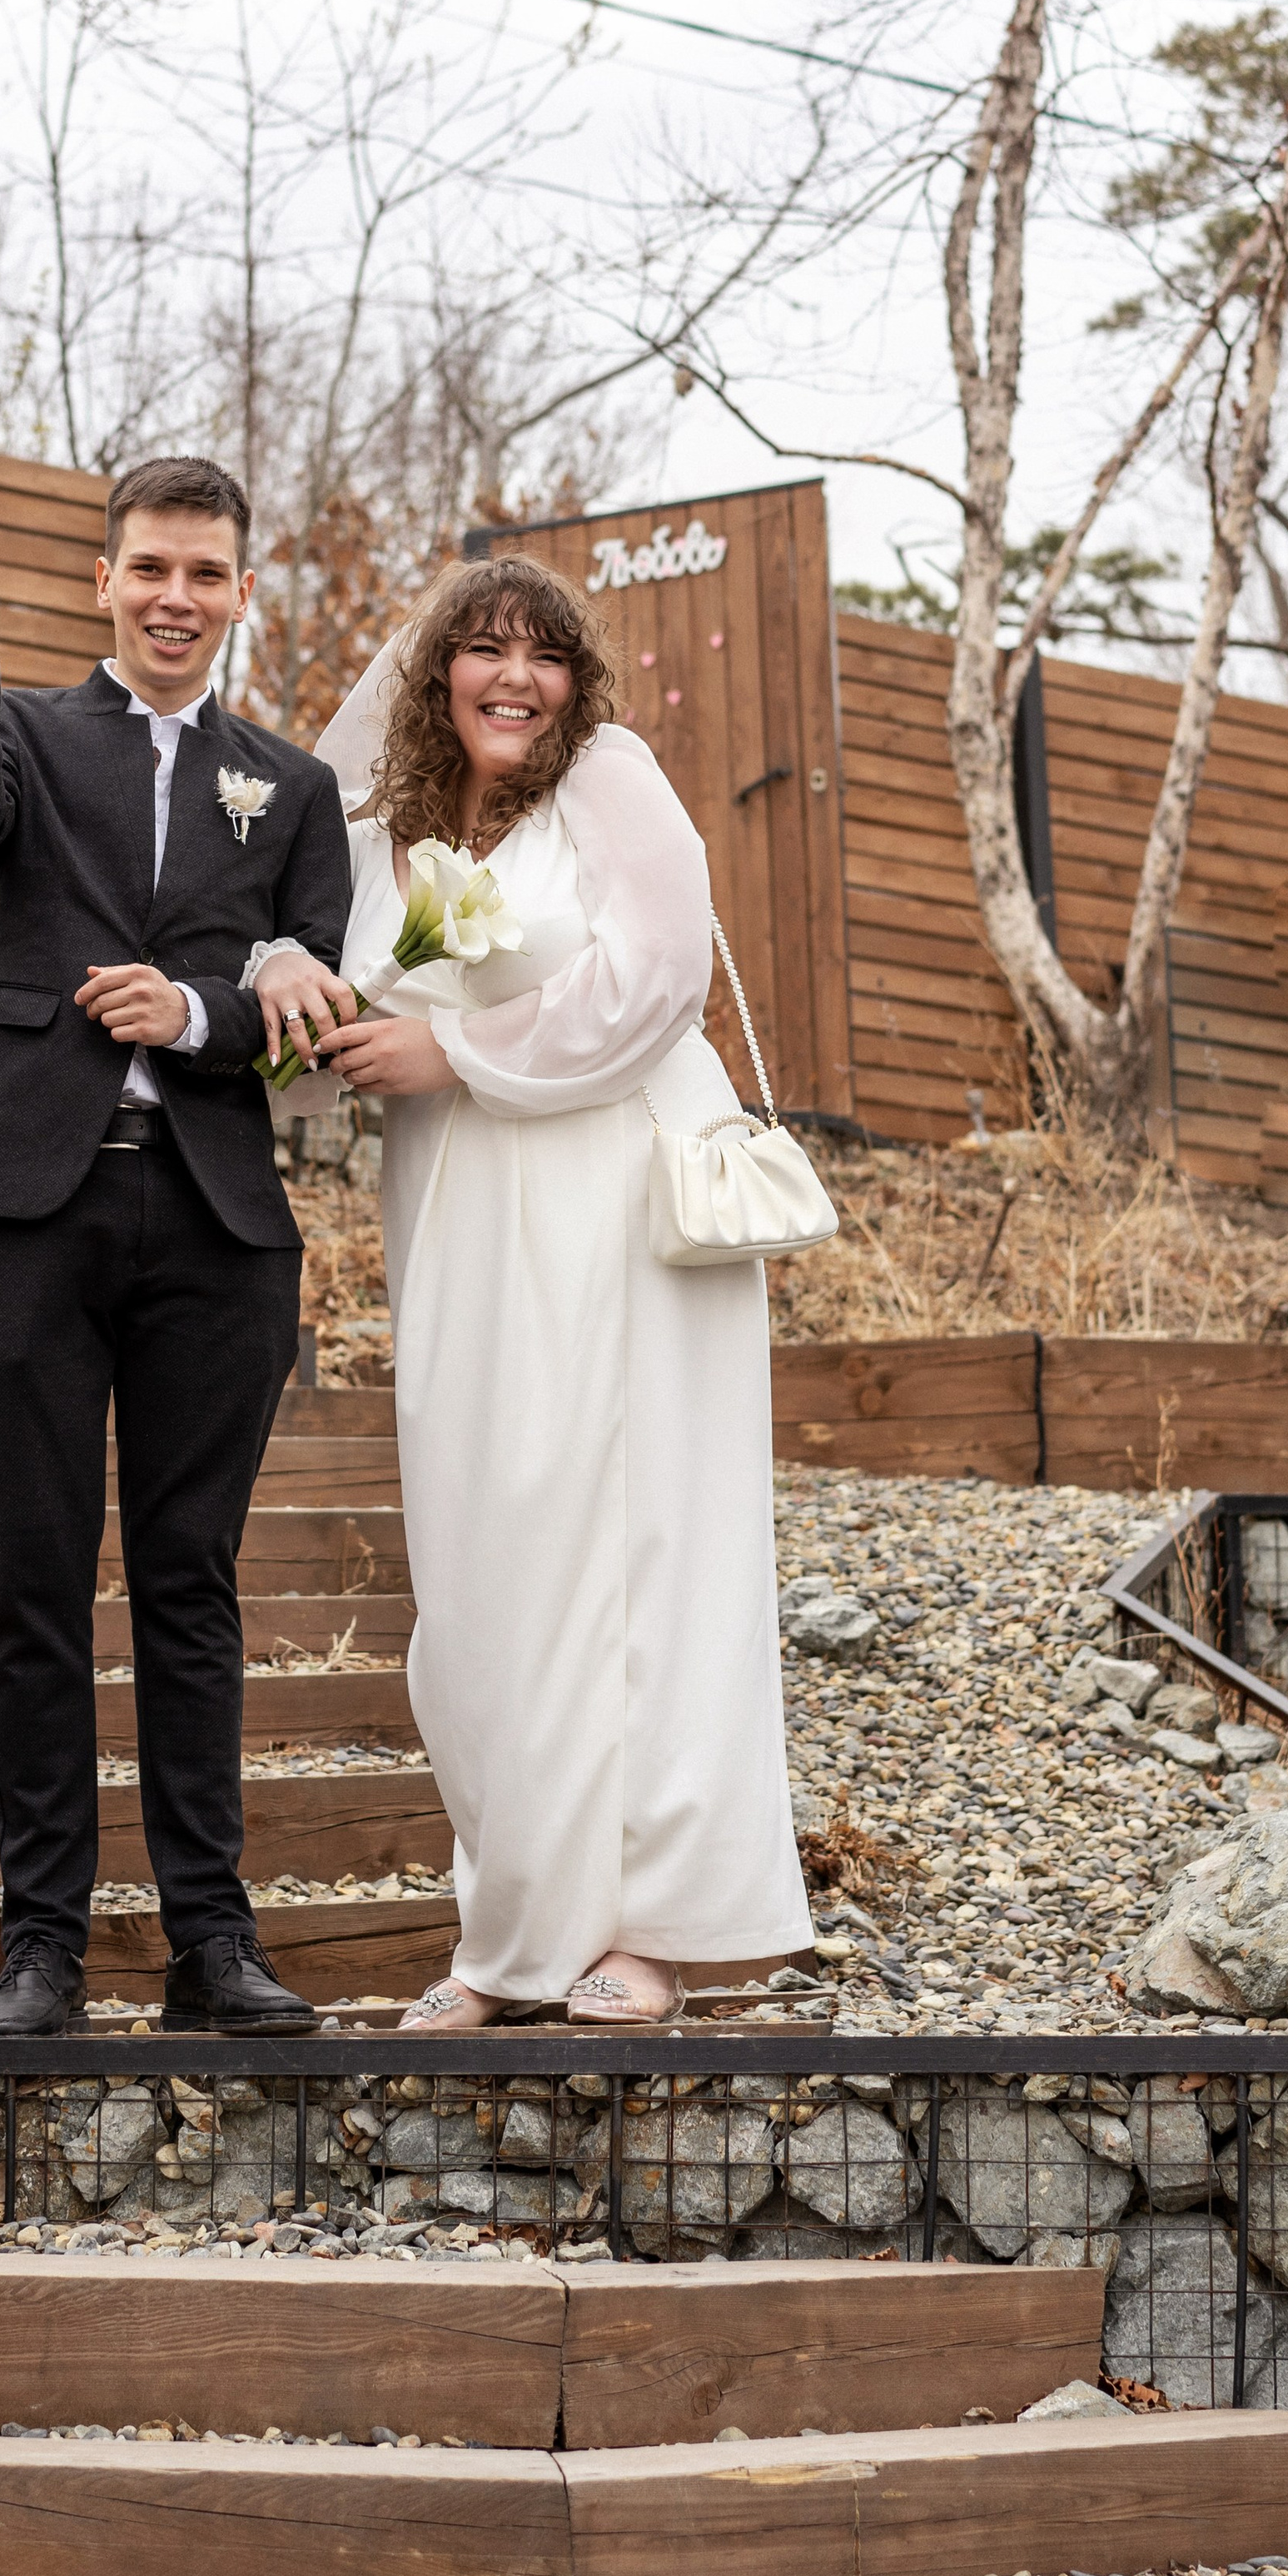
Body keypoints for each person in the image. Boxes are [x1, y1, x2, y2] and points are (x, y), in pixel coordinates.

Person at [311, 555, 813, 2027]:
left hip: (617, 1200)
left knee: (646, 1545)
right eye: (483, 649)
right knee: (488, 1556)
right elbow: (345, 995)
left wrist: (457, 1051)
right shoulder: (391, 826)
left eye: (543, 654)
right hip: (462, 1210)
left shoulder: (611, 777)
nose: (514, 678)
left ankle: (653, 1929)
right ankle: (515, 1932)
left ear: (575, 679)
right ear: (438, 674)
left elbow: (659, 977)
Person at [0, 456, 357, 2035]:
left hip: (216, 1222)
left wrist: (200, 1012)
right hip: (34, 1196)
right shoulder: (26, 731)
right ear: (105, 580)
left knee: (190, 1583)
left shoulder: (291, 786)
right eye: (150, 567)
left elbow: (313, 1006)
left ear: (242, 592)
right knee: (35, 1578)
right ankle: (40, 1944)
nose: (176, 597)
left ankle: (211, 1942)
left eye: (205, 573)